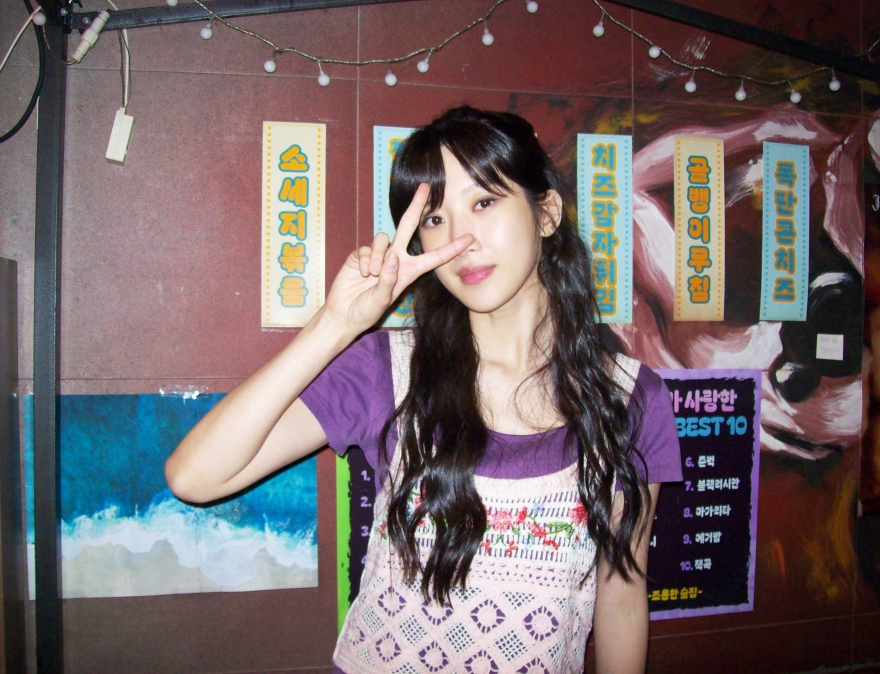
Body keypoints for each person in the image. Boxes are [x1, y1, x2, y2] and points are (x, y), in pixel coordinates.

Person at [166, 106, 681, 674]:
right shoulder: (387, 371)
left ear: (547, 213)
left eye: (483, 202)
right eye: (435, 218)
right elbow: (195, 477)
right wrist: (335, 325)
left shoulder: (631, 399)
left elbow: (621, 595)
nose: (460, 240)